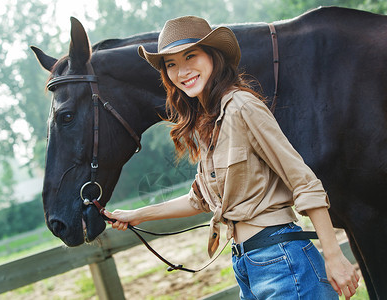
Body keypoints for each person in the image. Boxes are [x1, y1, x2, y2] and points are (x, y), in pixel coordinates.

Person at [104, 16, 360, 299]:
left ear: (213, 56)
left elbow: (304, 182)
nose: (182, 70)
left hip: (282, 261)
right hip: (246, 264)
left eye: (190, 56)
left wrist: (334, 257)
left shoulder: (242, 106)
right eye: (171, 64)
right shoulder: (206, 122)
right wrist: (136, 215)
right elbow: (200, 199)